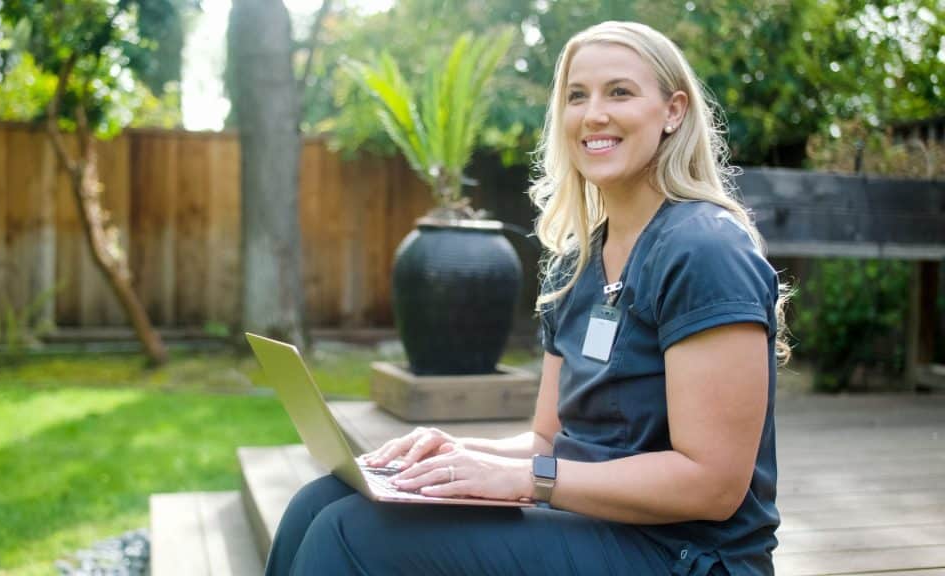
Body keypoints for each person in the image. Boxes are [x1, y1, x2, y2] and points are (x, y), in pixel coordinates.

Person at [264, 20, 790, 576]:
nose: (594, 115)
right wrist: (457, 454)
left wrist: (529, 479)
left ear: (673, 112)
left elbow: (712, 485)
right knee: (317, 503)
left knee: (355, 535)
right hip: (589, 522)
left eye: (620, 92)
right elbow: (547, 438)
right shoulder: (578, 260)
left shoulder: (704, 249)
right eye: (576, 96)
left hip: (685, 554)